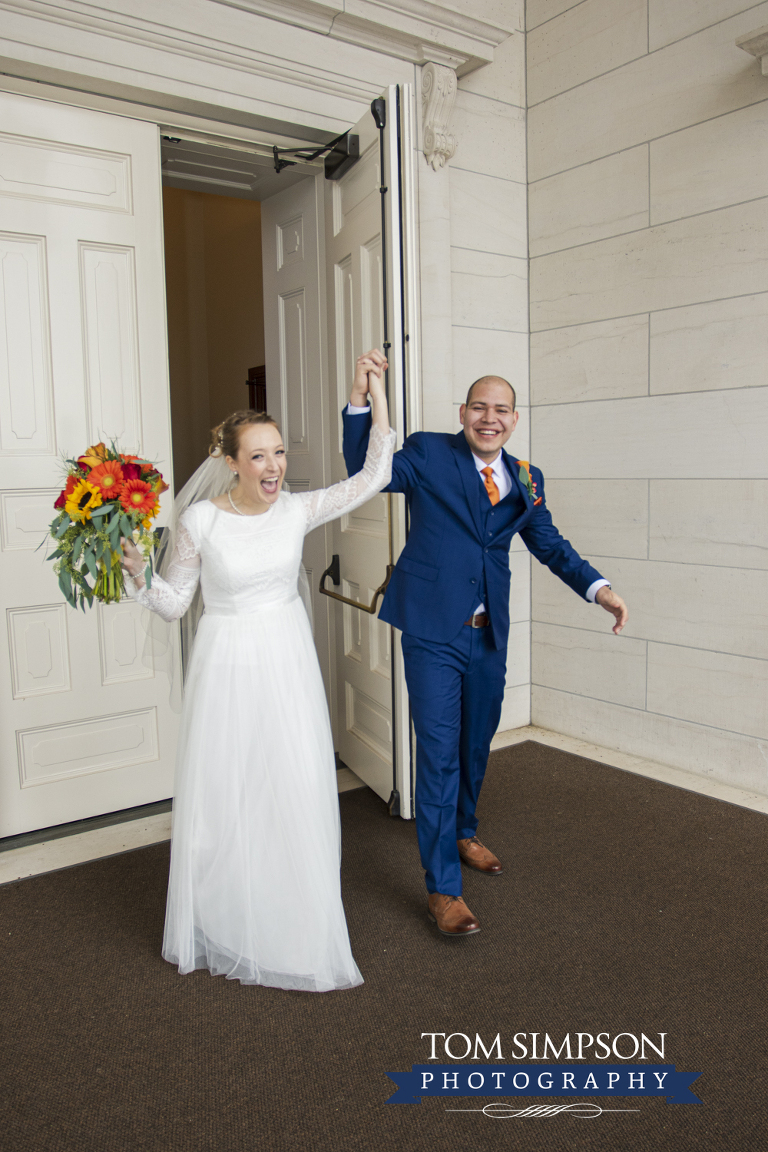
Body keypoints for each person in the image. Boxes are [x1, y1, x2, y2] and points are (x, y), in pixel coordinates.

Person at [120, 366, 394, 991]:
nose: (273, 467)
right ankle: (228, 909)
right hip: (226, 664)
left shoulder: (296, 510)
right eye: (258, 456)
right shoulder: (200, 524)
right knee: (232, 785)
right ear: (231, 461)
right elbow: (172, 604)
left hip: (286, 657)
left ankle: (295, 907)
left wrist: (370, 394)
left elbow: (373, 476)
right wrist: (138, 572)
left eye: (279, 453)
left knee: (292, 777)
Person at [342, 351, 628, 938]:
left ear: (514, 419)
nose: (489, 418)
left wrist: (599, 589)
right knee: (440, 753)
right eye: (479, 407)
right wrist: (360, 399)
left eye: (501, 409)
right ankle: (443, 890)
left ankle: (464, 831)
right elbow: (365, 472)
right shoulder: (426, 452)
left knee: (475, 742)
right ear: (464, 413)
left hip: (487, 633)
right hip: (431, 630)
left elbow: (550, 544)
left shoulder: (526, 476)